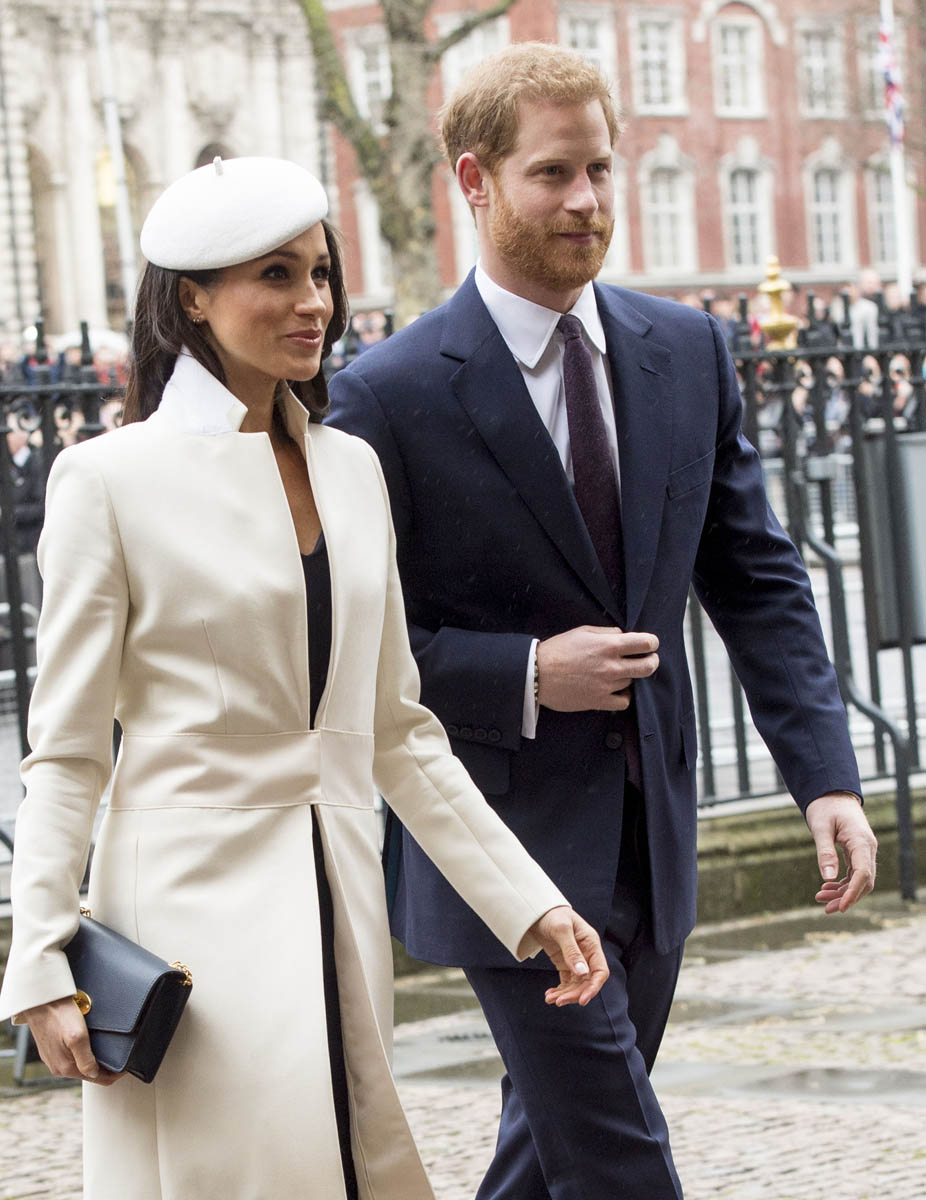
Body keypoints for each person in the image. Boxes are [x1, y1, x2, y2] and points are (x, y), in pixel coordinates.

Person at [327, 41, 878, 1200]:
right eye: (551, 173)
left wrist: (824, 775)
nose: (586, 200)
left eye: (599, 169)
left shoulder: (687, 350)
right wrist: (526, 673)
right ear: (474, 182)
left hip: (653, 842)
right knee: (621, 1163)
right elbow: (346, 650)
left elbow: (756, 577)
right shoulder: (387, 394)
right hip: (498, 853)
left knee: (548, 1162)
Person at [0, 155, 609, 1200]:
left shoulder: (350, 467)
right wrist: (40, 959)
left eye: (320, 273)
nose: (313, 301)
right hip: (185, 920)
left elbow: (399, 731)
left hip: (337, 896)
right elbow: (65, 751)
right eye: (275, 275)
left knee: (348, 1161)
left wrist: (529, 904)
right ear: (193, 298)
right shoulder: (107, 480)